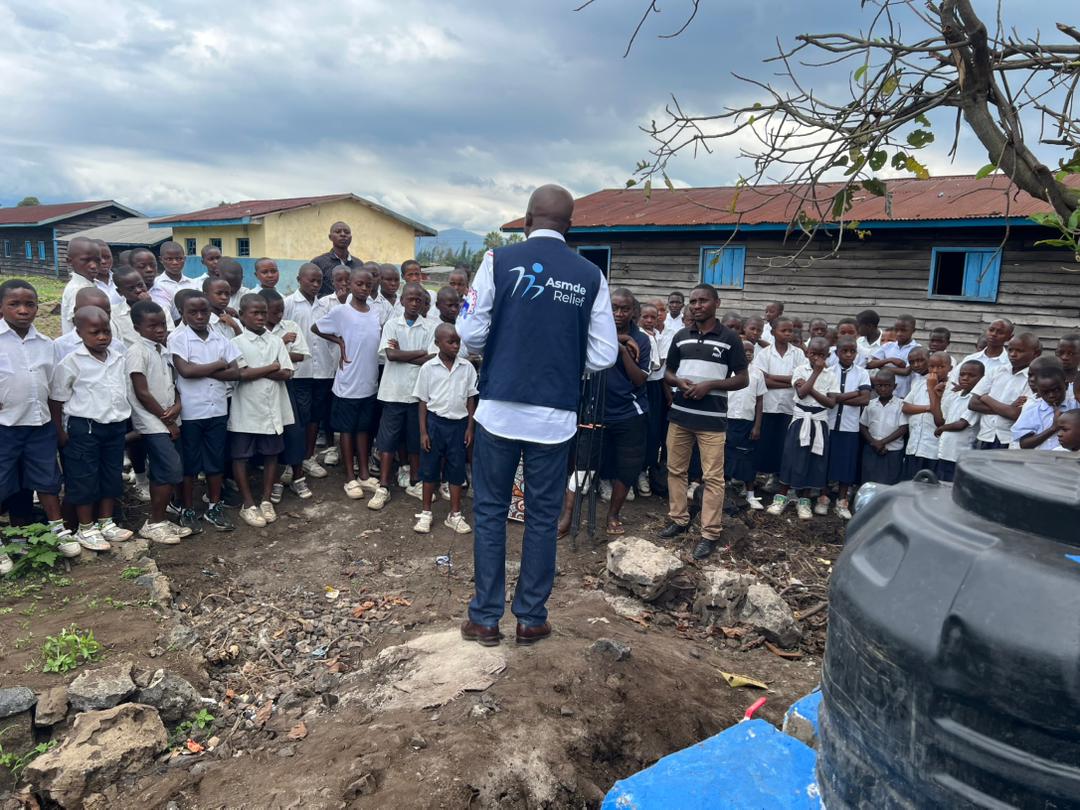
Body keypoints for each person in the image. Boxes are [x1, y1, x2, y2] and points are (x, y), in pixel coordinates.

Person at [457, 184, 617, 646]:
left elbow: (469, 332)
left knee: (490, 512)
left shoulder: (497, 261)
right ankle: (531, 618)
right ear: (569, 226)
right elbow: (604, 353)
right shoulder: (590, 275)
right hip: (555, 417)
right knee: (543, 518)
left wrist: (505, 353)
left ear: (527, 220)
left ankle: (485, 619)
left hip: (499, 411)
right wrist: (564, 363)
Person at [659, 284, 748, 558]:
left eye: (703, 301)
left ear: (716, 303)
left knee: (712, 478)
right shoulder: (681, 336)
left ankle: (709, 533)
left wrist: (710, 385)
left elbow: (742, 378)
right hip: (681, 417)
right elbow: (668, 373)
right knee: (675, 470)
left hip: (712, 420)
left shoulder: (730, 338)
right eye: (693, 301)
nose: (697, 306)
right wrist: (678, 381)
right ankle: (679, 519)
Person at [0, 280, 82, 574]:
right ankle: (5, 542)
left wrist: (57, 426)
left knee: (47, 478)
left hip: (39, 424)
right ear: (2, 307)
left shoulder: (47, 345)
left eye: (30, 304)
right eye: (14, 304)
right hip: (5, 426)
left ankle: (57, 529)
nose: (23, 310)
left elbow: (55, 389)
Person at [559, 288, 650, 539]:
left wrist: (620, 351)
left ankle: (613, 515)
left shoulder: (641, 339)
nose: (618, 313)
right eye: (614, 308)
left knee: (628, 468)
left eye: (624, 309)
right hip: (594, 411)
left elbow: (640, 380)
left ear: (633, 311)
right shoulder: (593, 334)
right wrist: (614, 341)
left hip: (629, 414)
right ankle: (567, 516)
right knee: (582, 465)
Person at [49, 306, 135, 551]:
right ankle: (86, 528)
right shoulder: (72, 362)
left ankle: (106, 522)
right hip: (84, 428)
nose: (102, 337)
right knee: (83, 478)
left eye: (106, 331)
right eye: (94, 332)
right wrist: (60, 430)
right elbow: (56, 399)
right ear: (79, 332)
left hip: (114, 427)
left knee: (111, 474)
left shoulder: (118, 357)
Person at [169, 292, 242, 533]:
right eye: (193, 312)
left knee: (215, 460)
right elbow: (185, 371)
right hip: (191, 411)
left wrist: (203, 369)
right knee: (190, 463)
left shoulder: (220, 338)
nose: (200, 316)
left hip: (217, 409)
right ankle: (188, 508)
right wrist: (218, 365)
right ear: (183, 314)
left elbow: (235, 372)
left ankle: (214, 506)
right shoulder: (178, 338)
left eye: (204, 311)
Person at [313, 267, 383, 499]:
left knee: (363, 429)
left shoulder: (374, 313)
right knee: (346, 430)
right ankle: (349, 478)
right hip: (348, 383)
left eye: (368, 286)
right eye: (360, 284)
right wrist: (338, 341)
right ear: (350, 285)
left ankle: (363, 474)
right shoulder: (341, 312)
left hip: (368, 382)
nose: (364, 289)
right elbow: (315, 328)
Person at [126, 300, 191, 545]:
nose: (159, 329)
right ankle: (153, 523)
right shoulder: (137, 352)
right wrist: (168, 421)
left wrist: (177, 405)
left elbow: (172, 385)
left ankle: (161, 519)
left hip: (169, 417)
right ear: (137, 327)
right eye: (152, 326)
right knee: (169, 469)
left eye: (162, 324)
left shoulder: (161, 350)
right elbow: (142, 392)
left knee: (166, 471)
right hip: (153, 422)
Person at [228, 294, 294, 527]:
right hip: (246, 407)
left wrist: (259, 370)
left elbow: (287, 372)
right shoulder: (236, 344)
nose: (259, 317)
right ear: (242, 315)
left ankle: (266, 499)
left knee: (271, 453)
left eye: (263, 313)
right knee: (241, 455)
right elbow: (241, 374)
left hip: (272, 406)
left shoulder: (275, 341)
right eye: (254, 313)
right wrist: (271, 366)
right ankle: (248, 503)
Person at [369, 282, 434, 509]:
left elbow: (431, 359)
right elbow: (391, 355)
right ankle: (383, 486)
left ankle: (415, 481)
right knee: (388, 441)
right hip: (393, 392)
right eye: (410, 299)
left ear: (424, 303)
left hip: (417, 395)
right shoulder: (391, 325)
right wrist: (418, 352)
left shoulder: (430, 327)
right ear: (402, 300)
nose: (414, 303)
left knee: (415, 440)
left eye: (419, 300)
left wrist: (402, 353)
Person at [412, 323, 478, 534]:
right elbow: (422, 401)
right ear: (437, 343)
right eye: (450, 342)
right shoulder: (428, 368)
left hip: (458, 426)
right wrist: (423, 432)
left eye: (458, 341)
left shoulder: (466, 368)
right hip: (435, 424)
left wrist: (470, 427)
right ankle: (426, 513)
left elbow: (470, 399)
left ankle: (455, 514)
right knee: (429, 469)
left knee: (457, 470)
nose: (455, 345)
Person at [766, 337, 839, 520]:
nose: (816, 358)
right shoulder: (800, 370)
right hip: (800, 421)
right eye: (813, 353)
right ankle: (781, 497)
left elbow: (830, 402)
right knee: (791, 457)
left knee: (813, 460)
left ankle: (804, 501)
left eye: (822, 355)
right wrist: (815, 373)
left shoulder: (831, 376)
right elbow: (801, 393)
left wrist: (811, 387)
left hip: (818, 422)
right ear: (807, 353)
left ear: (828, 356)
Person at [285, 264, 334, 478]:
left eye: (319, 281)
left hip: (322, 369)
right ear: (299, 279)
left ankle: (309, 457)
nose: (315, 285)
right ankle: (292, 460)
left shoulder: (324, 307)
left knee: (315, 416)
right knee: (299, 418)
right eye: (311, 280)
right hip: (299, 371)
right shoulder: (288, 304)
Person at [263, 289, 312, 501]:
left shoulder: (291, 326)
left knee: (294, 431)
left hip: (286, 385)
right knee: (272, 435)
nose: (280, 315)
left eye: (281, 310)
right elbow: (254, 360)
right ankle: (275, 480)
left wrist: (273, 355)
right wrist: (280, 344)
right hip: (261, 390)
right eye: (274, 312)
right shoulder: (255, 331)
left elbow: (301, 355)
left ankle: (298, 477)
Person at [821, 335, 871, 519]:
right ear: (837, 352)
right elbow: (828, 399)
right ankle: (823, 497)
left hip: (850, 426)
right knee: (826, 461)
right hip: (829, 424)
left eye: (852, 351)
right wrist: (854, 393)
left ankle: (842, 501)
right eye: (845, 351)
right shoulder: (829, 371)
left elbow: (865, 399)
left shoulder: (862, 373)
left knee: (846, 464)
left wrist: (838, 397)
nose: (849, 354)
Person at [752, 317, 806, 486]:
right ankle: (759, 477)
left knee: (784, 445)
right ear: (773, 332)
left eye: (790, 331)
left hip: (789, 408)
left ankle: (778, 478)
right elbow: (762, 381)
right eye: (784, 330)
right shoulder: (764, 354)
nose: (788, 334)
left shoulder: (798, 353)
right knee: (765, 444)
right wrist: (790, 382)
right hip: (768, 406)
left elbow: (802, 379)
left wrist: (773, 377)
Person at [969, 332, 1039, 449]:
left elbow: (1016, 414)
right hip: (985, 436)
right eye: (1010, 350)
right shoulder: (996, 371)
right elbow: (973, 404)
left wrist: (986, 398)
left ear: (1035, 353)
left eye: (1019, 351)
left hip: (1009, 440)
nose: (1013, 354)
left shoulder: (1033, 379)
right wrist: (1007, 408)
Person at [725, 339, 766, 510]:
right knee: (725, 456)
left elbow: (759, 401)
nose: (748, 353)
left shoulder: (757, 373)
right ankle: (723, 491)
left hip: (747, 421)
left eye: (751, 351)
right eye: (745, 350)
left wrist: (757, 426)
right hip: (727, 420)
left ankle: (750, 494)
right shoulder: (726, 370)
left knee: (747, 457)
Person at [933, 359, 983, 482]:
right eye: (962, 374)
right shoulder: (956, 396)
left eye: (971, 376)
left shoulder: (975, 400)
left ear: (982, 379)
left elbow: (962, 424)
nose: (965, 378)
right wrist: (937, 397)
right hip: (945, 452)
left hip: (959, 455)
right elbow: (942, 419)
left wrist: (942, 429)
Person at [637, 301, 669, 496]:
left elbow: (659, 365)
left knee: (653, 432)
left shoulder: (660, 337)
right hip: (639, 385)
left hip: (655, 387)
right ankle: (633, 474)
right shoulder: (638, 337)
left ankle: (645, 471)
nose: (649, 321)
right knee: (639, 430)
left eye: (653, 317)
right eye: (645, 317)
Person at [859, 368, 907, 485]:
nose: (883, 389)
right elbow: (863, 425)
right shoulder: (870, 404)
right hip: (872, 448)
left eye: (887, 385)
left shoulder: (901, 404)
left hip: (893, 450)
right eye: (879, 385)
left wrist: (883, 442)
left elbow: (903, 428)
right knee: (869, 480)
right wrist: (874, 442)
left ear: (894, 386)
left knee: (890, 481)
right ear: (874, 386)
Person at [1012, 367, 1078, 450]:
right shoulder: (1032, 411)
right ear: (1038, 391)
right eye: (1045, 392)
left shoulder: (1076, 406)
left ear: (1066, 385)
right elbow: (1024, 444)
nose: (1052, 395)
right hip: (1041, 460)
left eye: (1056, 390)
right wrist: (1053, 428)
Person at [900, 347, 939, 477]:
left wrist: (932, 388)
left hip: (933, 447)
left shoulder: (946, 385)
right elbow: (905, 407)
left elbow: (939, 414)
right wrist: (928, 408)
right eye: (912, 362)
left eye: (921, 360)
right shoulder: (919, 383)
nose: (916, 365)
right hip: (915, 444)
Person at [867, 314, 920, 398]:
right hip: (883, 395)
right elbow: (870, 364)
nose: (899, 333)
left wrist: (882, 367)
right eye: (896, 330)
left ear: (913, 330)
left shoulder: (917, 349)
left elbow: (906, 372)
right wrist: (890, 360)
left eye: (904, 330)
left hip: (904, 394)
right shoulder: (888, 346)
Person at [60, 237, 102, 334]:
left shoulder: (91, 284)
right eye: (86, 260)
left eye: (97, 260)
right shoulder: (77, 290)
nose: (93, 266)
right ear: (69, 261)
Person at [154, 241, 199, 322]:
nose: (175, 262)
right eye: (169, 259)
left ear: (184, 259)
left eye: (179, 259)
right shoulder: (156, 285)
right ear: (161, 260)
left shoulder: (193, 284)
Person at [312, 221, 360, 296]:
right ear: (330, 237)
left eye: (347, 232)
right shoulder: (318, 263)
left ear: (351, 237)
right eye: (338, 232)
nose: (343, 234)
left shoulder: (359, 265)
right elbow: (312, 292)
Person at [111, 266, 151, 347]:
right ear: (120, 292)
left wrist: (149, 307)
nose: (138, 290)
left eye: (140, 285)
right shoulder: (113, 314)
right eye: (131, 288)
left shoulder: (162, 308)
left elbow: (166, 338)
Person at [92, 239, 123, 306]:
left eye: (107, 257)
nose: (103, 262)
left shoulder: (121, 279)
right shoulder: (87, 284)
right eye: (99, 258)